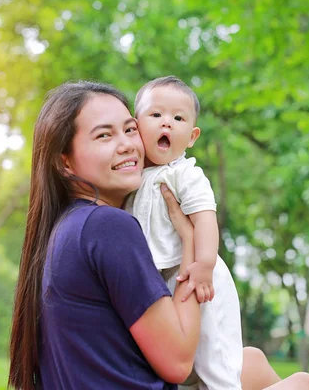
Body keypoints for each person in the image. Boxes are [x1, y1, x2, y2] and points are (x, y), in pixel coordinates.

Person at [8, 80, 309, 390]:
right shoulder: (107, 227)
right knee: (304, 385)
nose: (127, 145)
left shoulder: (69, 225)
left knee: (252, 361)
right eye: (104, 135)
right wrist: (189, 241)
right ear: (64, 161)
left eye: (129, 129)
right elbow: (177, 364)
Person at [125, 76, 243, 389]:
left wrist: (204, 265)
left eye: (178, 118)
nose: (167, 124)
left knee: (213, 352)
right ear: (136, 125)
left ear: (192, 136)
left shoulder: (185, 174)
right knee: (189, 357)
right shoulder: (133, 176)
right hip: (164, 277)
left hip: (200, 276)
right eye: (156, 115)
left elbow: (205, 218)